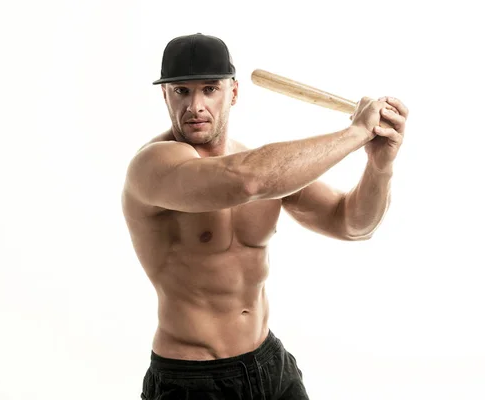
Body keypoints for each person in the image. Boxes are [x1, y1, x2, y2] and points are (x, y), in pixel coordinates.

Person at [121, 32, 408, 400]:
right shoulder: (153, 166)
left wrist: (380, 166)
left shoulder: (271, 167)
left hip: (270, 366)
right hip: (193, 381)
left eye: (209, 89)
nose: (195, 105)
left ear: (233, 93)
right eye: (181, 91)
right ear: (165, 95)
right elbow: (247, 182)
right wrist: (355, 133)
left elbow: (352, 224)